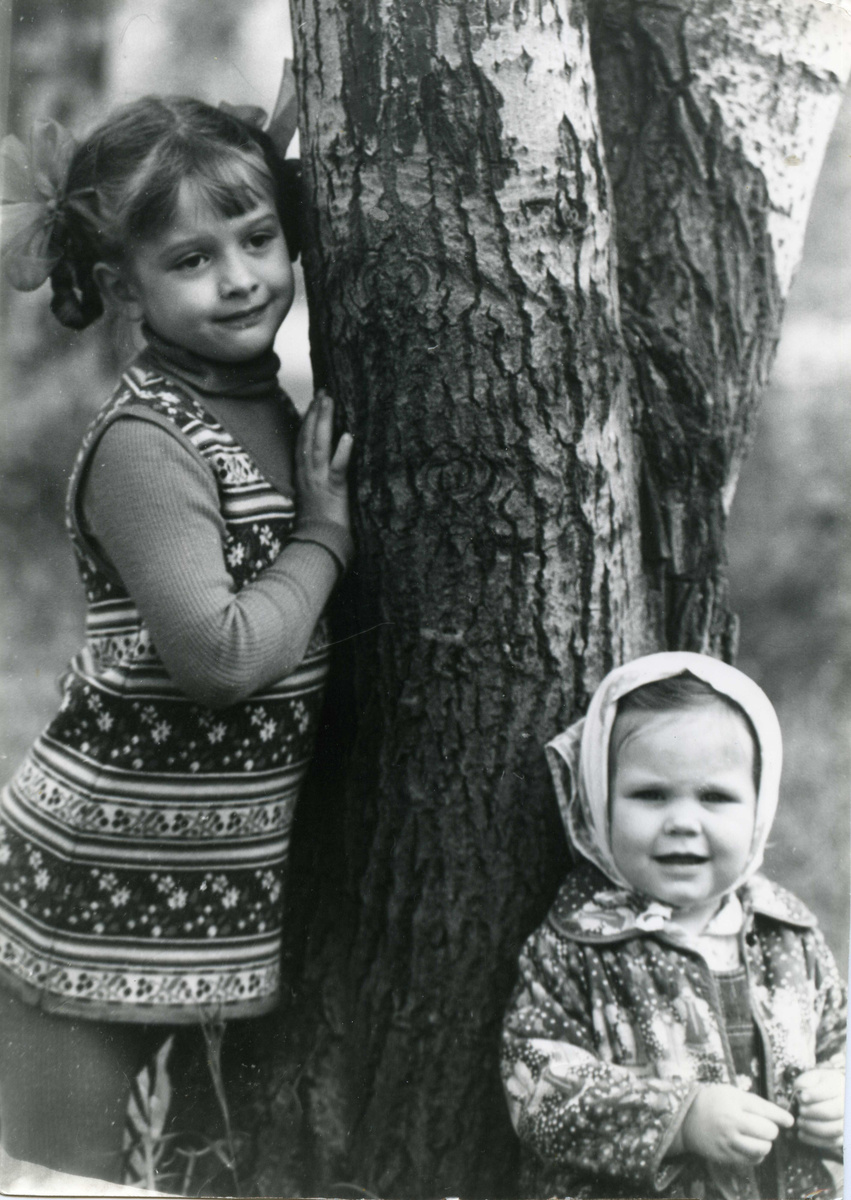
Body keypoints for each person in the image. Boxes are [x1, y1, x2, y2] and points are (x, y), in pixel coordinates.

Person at [0, 94, 353, 1183]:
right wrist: (326, 535)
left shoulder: (267, 407)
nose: (241, 278)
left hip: (201, 892)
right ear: (122, 288)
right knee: (68, 1175)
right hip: (95, 890)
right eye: (193, 259)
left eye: (258, 238)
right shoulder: (149, 444)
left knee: (190, 1165)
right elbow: (222, 657)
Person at [501, 651, 845, 1200]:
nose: (683, 821)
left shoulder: (789, 935)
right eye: (651, 795)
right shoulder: (576, 943)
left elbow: (837, 1040)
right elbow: (537, 1087)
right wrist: (680, 1120)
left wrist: (839, 1100)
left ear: (759, 808)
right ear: (600, 802)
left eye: (715, 797)